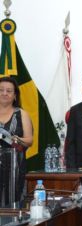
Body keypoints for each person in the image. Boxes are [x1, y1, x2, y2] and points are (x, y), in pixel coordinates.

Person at [0, 77, 33, 206]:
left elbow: (29, 140)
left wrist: (16, 139)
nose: (4, 93)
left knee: (12, 205)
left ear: (15, 95)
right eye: (1, 90)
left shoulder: (21, 114)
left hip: (14, 168)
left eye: (9, 91)